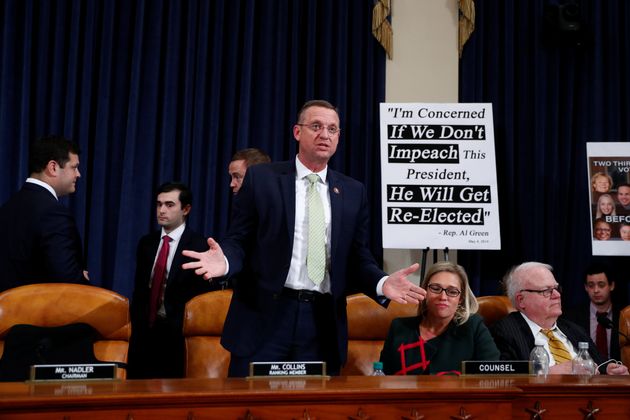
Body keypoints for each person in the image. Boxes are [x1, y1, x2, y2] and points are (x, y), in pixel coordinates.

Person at [183, 100, 425, 376]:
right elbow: (240, 239)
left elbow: (357, 257)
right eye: (316, 126)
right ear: (297, 132)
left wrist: (382, 282)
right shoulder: (262, 179)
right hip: (266, 317)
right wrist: (224, 261)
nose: (325, 134)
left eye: (332, 129)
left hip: (321, 323)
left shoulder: (353, 192)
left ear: (338, 137)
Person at [128, 182, 221, 378]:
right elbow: (140, 290)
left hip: (179, 336)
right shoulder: (146, 243)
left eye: (169, 205)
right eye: (159, 204)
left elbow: (201, 298)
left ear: (186, 209)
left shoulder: (200, 246)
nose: (162, 210)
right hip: (144, 334)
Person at [491, 262, 627, 375]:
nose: (557, 295)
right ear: (521, 300)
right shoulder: (505, 332)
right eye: (546, 291)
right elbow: (501, 376)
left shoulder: (574, 329)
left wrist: (608, 369)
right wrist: (548, 372)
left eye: (556, 288)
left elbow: (597, 363)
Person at [0, 135, 89, 292]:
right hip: (37, 314)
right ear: (53, 167)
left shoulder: (8, 207)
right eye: (74, 167)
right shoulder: (53, 213)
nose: (78, 174)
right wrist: (80, 277)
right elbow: (67, 280)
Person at [379, 261, 499, 375]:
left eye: (452, 291)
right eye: (436, 289)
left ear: (460, 298)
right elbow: (382, 376)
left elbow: (492, 374)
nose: (443, 297)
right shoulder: (399, 327)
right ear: (424, 291)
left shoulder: (473, 327)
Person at [564, 263, 621, 361]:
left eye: (601, 285)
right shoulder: (572, 317)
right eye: (591, 285)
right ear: (585, 287)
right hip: (586, 372)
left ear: (612, 286)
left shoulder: (623, 315)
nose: (596, 290)